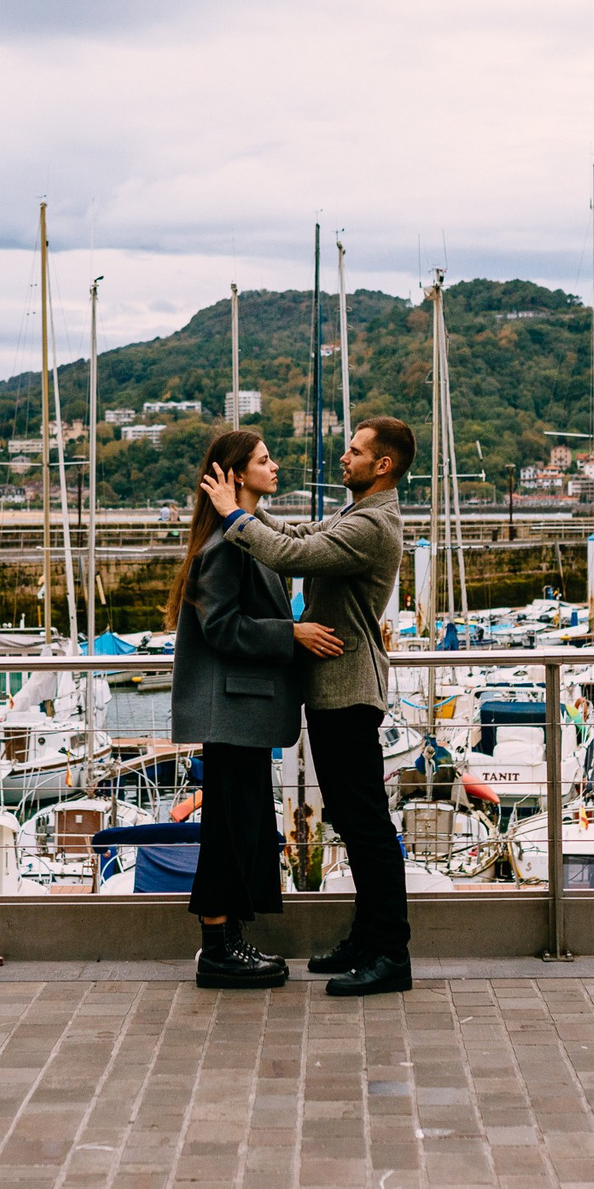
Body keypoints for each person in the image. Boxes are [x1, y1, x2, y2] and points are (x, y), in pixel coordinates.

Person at [201, 415, 412, 996]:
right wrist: (243, 508)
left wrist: (233, 514)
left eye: (355, 451)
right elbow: (294, 532)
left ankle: (390, 952)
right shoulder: (354, 513)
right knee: (353, 821)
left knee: (366, 825)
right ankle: (366, 938)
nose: (344, 457)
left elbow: (290, 555)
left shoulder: (372, 524)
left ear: (382, 465)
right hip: (333, 691)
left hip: (348, 690)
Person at [169, 429, 345, 989]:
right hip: (231, 713)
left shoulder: (242, 534)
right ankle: (219, 950)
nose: (276, 466)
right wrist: (290, 632)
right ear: (237, 474)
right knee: (228, 831)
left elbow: (291, 539)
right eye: (265, 460)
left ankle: (231, 942)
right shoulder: (225, 547)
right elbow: (221, 627)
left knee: (241, 827)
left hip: (241, 713)